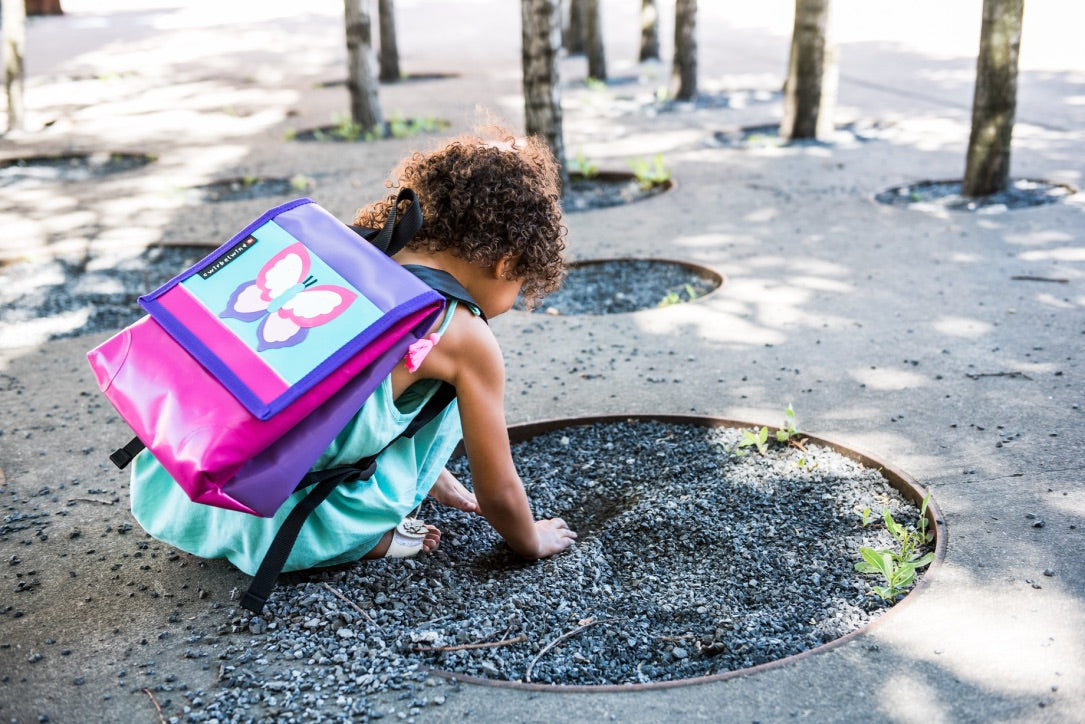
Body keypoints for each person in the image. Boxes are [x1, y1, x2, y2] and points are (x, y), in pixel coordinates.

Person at [129, 129, 577, 576]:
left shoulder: (358, 250)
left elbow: (335, 399)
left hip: (185, 474)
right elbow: (497, 493)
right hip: (268, 524)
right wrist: (531, 539)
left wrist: (438, 477)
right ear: (507, 263)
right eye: (520, 284)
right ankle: (360, 535)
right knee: (456, 390)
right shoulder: (461, 333)